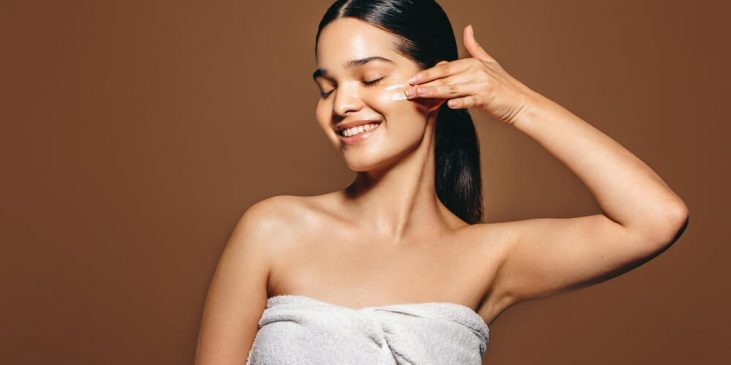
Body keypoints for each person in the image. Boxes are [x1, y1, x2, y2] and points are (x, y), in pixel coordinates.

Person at [194, 1, 689, 364]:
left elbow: (656, 218)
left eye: (368, 79)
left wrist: (517, 103)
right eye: (327, 88)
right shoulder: (273, 229)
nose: (341, 105)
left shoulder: (489, 257)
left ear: (435, 83)